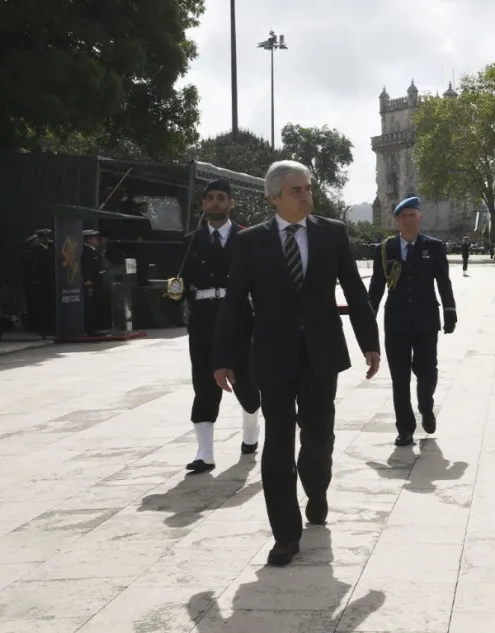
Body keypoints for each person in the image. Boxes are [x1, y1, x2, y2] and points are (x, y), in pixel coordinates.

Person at [213, 160, 381, 567]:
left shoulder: (332, 233)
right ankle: (285, 535)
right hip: (272, 355)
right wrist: (221, 359)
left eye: (308, 188)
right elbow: (233, 303)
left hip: (322, 353)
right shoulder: (251, 242)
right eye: (296, 190)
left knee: (319, 435)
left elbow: (355, 291)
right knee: (278, 445)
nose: (306, 195)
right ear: (273, 198)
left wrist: (370, 343)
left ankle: (317, 489)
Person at [176, 179, 261, 474]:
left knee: (246, 382)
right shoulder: (190, 241)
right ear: (203, 204)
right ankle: (205, 452)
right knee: (203, 383)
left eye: (221, 198)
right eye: (210, 198)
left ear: (231, 203)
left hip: (239, 318)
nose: (215, 203)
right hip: (203, 320)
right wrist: (175, 293)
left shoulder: (248, 238)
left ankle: (251, 430)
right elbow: (179, 280)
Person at [368, 196, 458, 447]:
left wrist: (450, 311)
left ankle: (426, 406)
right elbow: (376, 288)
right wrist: (367, 320)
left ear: (420, 217)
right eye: (403, 216)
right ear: (397, 220)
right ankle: (404, 428)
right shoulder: (385, 249)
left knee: (427, 371)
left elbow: (444, 282)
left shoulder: (434, 247)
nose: (407, 220)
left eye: (412, 215)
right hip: (396, 321)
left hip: (426, 320)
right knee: (399, 376)